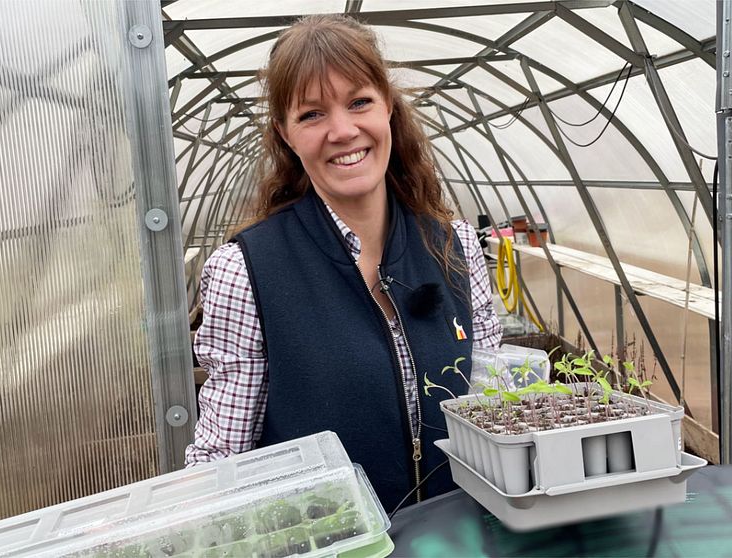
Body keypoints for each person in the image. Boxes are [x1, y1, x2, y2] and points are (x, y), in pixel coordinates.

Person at [185, 14, 501, 512]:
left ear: (388, 109)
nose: (342, 130)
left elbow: (493, 415)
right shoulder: (246, 270)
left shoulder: (455, 249)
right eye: (311, 114)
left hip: (455, 538)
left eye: (359, 102)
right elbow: (223, 456)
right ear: (285, 134)